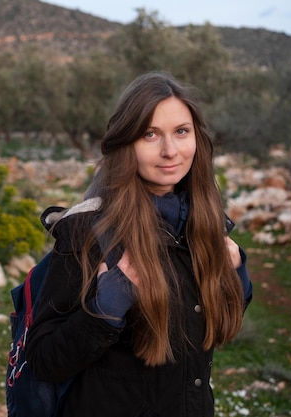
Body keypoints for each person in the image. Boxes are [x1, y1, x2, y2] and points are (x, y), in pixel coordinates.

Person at [26, 71, 253, 417]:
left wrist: (236, 279)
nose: (170, 151)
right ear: (126, 142)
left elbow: (207, 332)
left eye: (181, 132)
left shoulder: (204, 224)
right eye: (150, 134)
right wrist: (105, 310)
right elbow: (43, 360)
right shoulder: (88, 231)